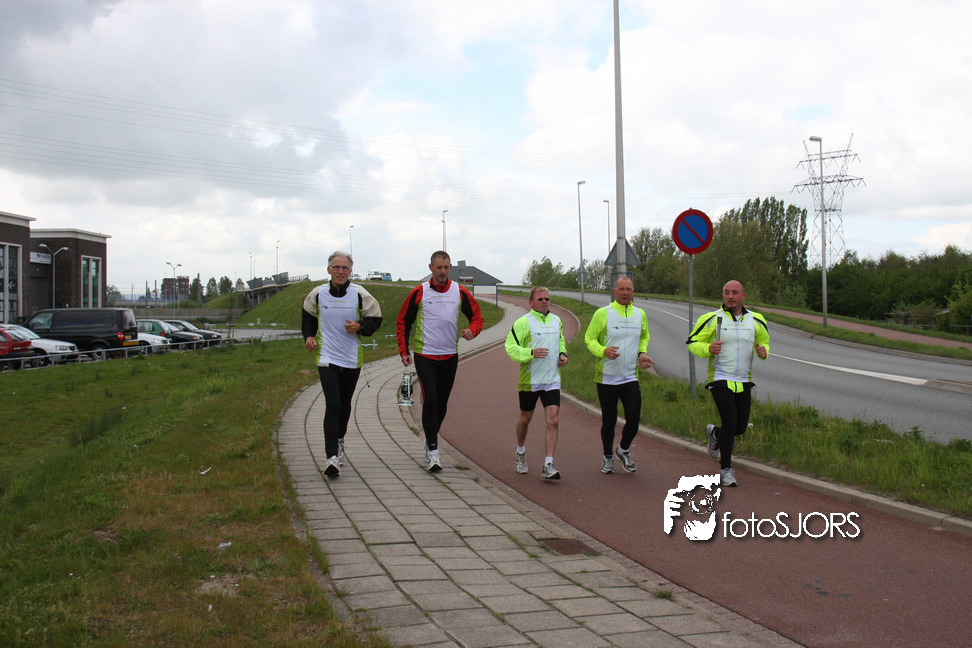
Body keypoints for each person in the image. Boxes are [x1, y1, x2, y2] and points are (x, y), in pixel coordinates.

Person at [396, 250, 484, 472]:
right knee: (431, 399)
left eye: (446, 268)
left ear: (450, 268)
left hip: (449, 355)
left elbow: (477, 317)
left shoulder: (459, 291)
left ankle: (430, 438)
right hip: (425, 354)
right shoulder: (419, 292)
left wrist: (473, 330)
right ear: (431, 268)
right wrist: (404, 350)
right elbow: (403, 322)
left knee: (442, 403)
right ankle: (434, 452)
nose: (443, 272)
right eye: (439, 268)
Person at [302, 251, 382, 477]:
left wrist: (361, 327)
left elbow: (375, 319)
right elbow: (308, 318)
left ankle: (339, 440)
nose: (340, 272)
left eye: (344, 268)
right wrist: (309, 337)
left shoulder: (360, 294)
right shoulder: (317, 294)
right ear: (328, 269)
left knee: (345, 404)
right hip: (327, 356)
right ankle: (331, 457)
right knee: (333, 404)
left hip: (351, 357)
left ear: (350, 271)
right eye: (336, 267)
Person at [686, 280, 770, 487]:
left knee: (740, 427)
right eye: (726, 293)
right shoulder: (712, 318)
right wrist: (708, 349)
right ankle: (726, 470)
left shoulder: (757, 320)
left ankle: (716, 433)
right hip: (720, 377)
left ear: (743, 296)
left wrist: (764, 351)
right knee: (730, 420)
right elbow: (692, 343)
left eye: (734, 293)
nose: (730, 297)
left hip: (743, 379)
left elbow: (764, 342)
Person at [584, 276, 654, 474]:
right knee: (609, 420)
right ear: (614, 292)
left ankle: (622, 450)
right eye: (621, 289)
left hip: (630, 377)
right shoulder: (603, 313)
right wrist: (603, 351)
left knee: (634, 419)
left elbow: (644, 337)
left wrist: (642, 354)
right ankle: (607, 457)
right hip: (607, 377)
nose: (625, 293)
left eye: (628, 289)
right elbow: (589, 339)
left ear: (633, 292)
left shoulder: (640, 314)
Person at [504, 286, 569, 480]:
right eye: (540, 299)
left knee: (553, 420)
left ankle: (548, 464)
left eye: (547, 299)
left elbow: (560, 341)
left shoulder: (557, 320)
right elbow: (510, 347)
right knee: (525, 419)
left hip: (552, 380)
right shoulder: (523, 322)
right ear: (531, 302)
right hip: (530, 380)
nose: (544, 302)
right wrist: (530, 353)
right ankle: (520, 452)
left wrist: (563, 354)